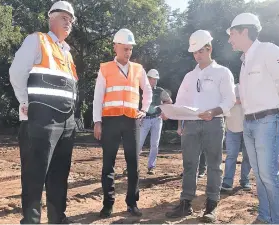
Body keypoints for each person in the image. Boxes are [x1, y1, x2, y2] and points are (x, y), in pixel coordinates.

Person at [227, 12, 279, 224]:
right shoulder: (244, 61)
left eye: (232, 34)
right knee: (259, 174)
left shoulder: (269, 50)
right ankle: (265, 216)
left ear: (245, 31)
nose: (230, 39)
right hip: (250, 122)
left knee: (269, 174)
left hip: (269, 120)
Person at [9, 1, 78, 223]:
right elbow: (17, 71)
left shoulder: (67, 53)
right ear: (51, 18)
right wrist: (24, 102)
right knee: (34, 177)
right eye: (64, 18)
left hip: (66, 123)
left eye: (71, 20)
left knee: (59, 176)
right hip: (41, 120)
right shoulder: (37, 40)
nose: (68, 22)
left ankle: (58, 218)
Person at [165, 30, 236, 223]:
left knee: (213, 165)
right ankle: (186, 203)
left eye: (201, 51)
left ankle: (211, 205)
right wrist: (174, 116)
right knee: (189, 165)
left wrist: (213, 112)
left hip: (214, 123)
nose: (197, 55)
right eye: (195, 52)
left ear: (209, 48)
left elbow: (230, 99)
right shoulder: (189, 76)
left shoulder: (222, 72)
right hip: (191, 125)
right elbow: (180, 102)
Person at [93, 28, 152, 218]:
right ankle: (108, 204)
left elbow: (148, 91)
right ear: (115, 47)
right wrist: (97, 122)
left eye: (130, 49)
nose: (128, 52)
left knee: (133, 163)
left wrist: (144, 110)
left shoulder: (138, 69)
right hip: (110, 120)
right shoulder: (105, 69)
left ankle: (132, 203)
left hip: (131, 120)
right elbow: (97, 98)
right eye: (125, 48)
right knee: (108, 164)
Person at [137, 69, 172, 175]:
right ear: (147, 78)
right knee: (138, 143)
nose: (154, 81)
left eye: (156, 79)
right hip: (143, 120)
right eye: (152, 79)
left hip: (157, 119)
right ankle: (133, 165)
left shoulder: (160, 91)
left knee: (154, 144)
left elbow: (169, 102)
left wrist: (165, 113)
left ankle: (151, 166)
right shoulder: (140, 90)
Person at [221, 84, 251, 192]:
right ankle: (227, 182)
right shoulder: (230, 88)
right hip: (232, 127)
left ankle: (245, 180)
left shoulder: (253, 88)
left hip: (249, 128)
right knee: (231, 156)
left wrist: (240, 100)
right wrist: (237, 100)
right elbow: (223, 104)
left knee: (248, 156)